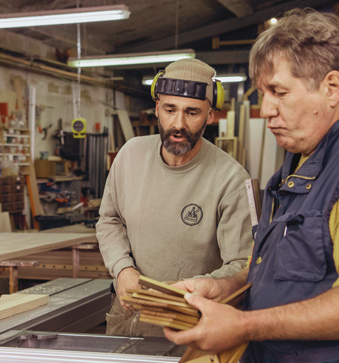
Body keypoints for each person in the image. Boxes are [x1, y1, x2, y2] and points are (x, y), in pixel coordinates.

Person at [164, 8, 339, 362]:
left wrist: (245, 326)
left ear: (331, 88)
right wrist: (225, 287)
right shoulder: (303, 159)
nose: (265, 109)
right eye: (262, 93)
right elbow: (286, 265)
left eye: (278, 92)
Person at [97, 58, 253, 338]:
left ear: (210, 116)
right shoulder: (129, 156)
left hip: (191, 331)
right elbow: (109, 221)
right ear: (157, 108)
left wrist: (190, 288)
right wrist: (122, 270)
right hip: (126, 322)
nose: (178, 124)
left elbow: (241, 264)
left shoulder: (231, 179)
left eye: (192, 112)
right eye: (170, 109)